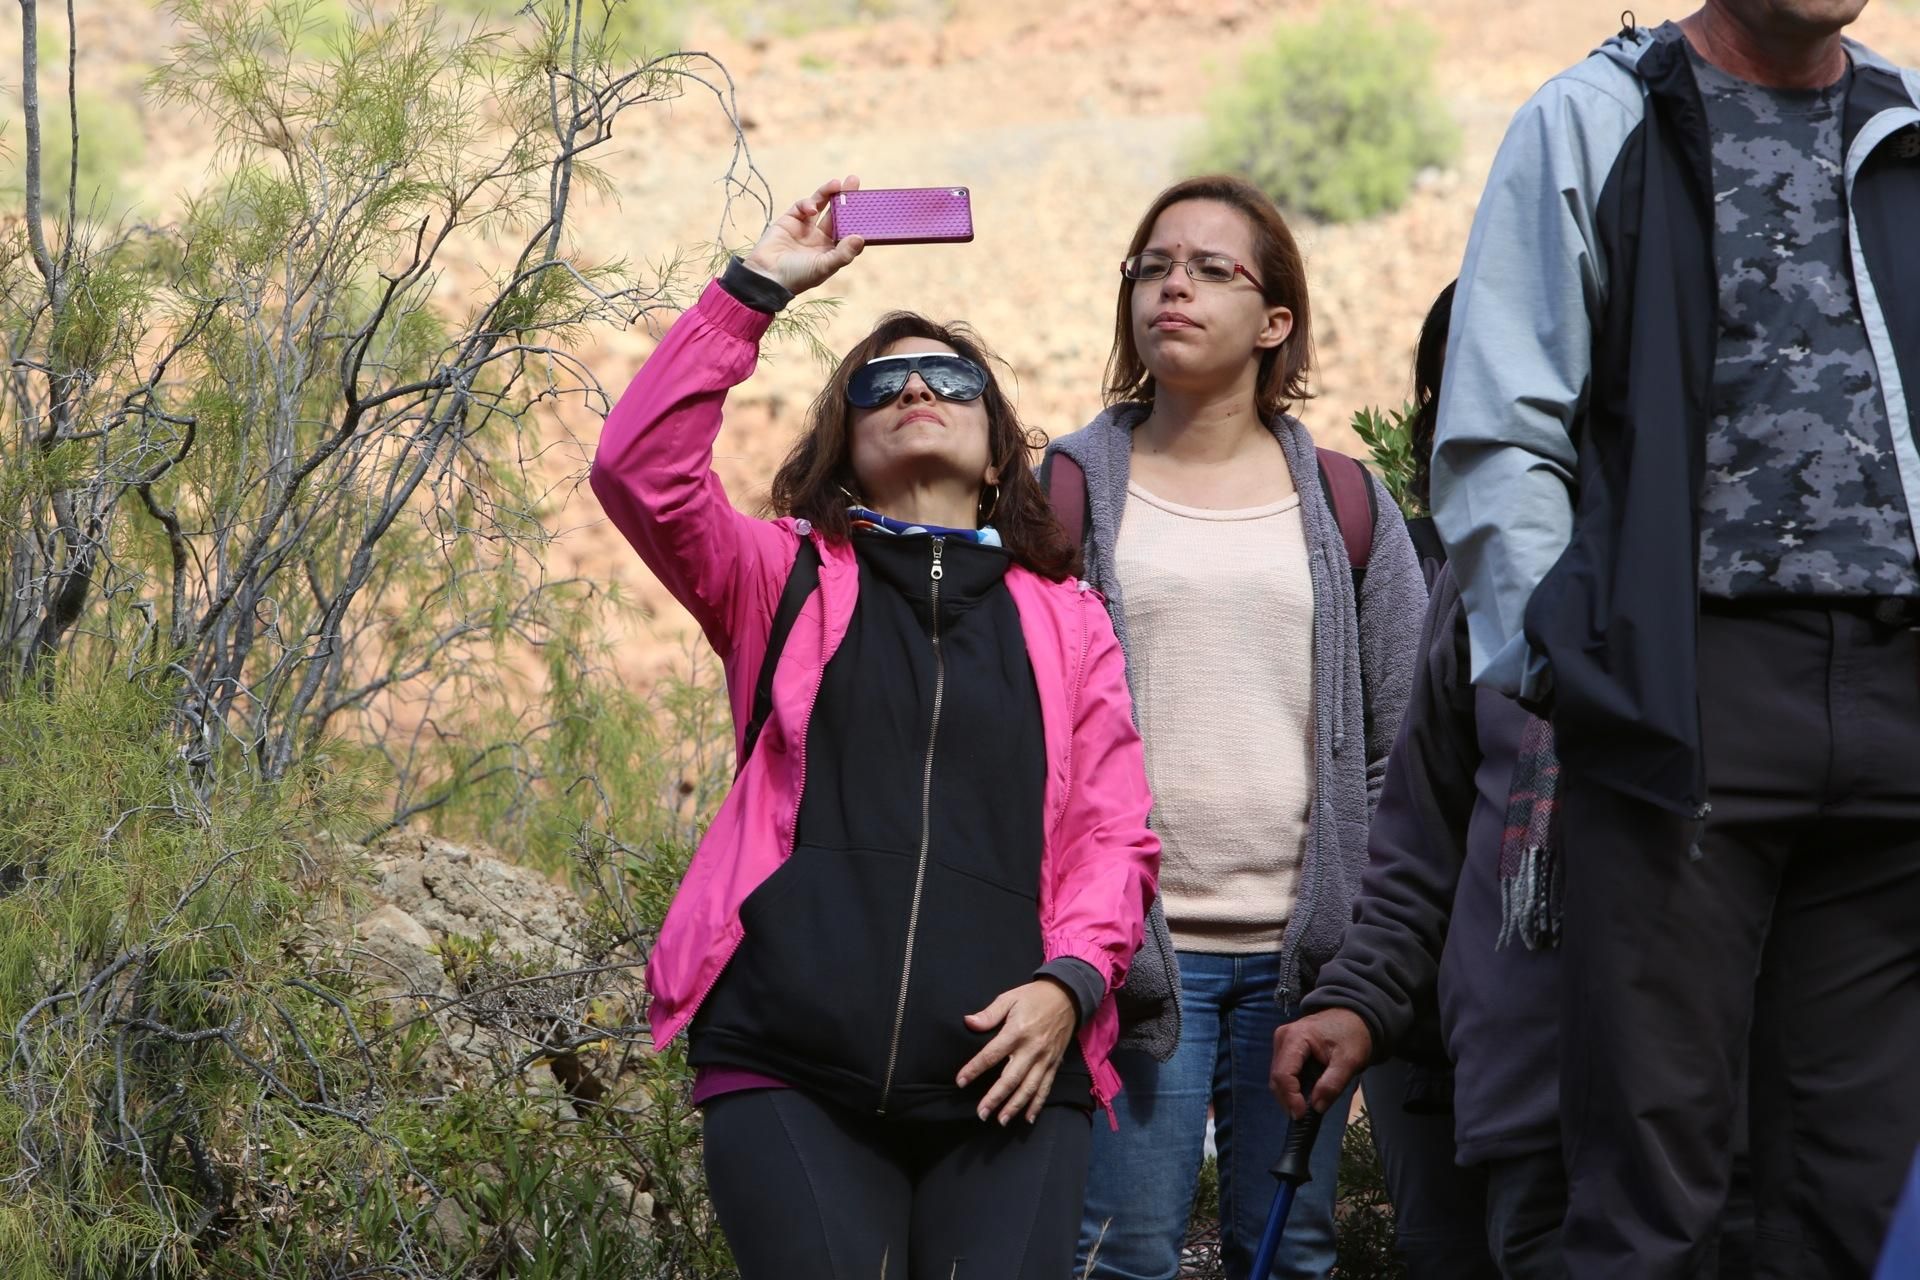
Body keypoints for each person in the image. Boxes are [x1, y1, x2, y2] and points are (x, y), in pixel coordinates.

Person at [588, 176, 1161, 1279]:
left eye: (948, 377)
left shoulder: (1067, 620)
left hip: (1010, 1068)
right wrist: (756, 289)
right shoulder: (782, 578)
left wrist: (1072, 981)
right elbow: (636, 471)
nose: (913, 389)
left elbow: (1111, 831)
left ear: (999, 450)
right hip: (789, 1064)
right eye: (877, 384)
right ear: (845, 447)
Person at [1429, 7, 1920, 1277]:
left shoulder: (1908, 125)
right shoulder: (1598, 119)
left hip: (1899, 689)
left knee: (1853, 1182)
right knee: (1654, 1181)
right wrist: (1572, 666)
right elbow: (1502, 422)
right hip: (1684, 686)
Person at [1048, 174, 1426, 1280]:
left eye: (1213, 268)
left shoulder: (1347, 502)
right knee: (1120, 1256)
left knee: (1291, 1254)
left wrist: (1369, 954)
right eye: (1155, 265)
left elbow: (1404, 739)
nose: (1175, 285)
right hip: (1128, 957)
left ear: (1274, 322)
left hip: (1302, 963)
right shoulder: (1067, 491)